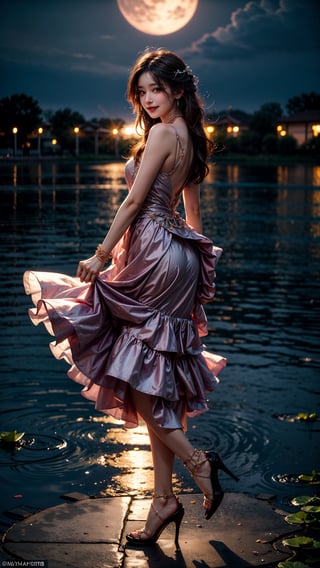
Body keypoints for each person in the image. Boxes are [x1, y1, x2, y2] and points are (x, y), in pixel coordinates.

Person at [23, 48, 238, 547]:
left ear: (179, 90)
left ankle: (198, 462)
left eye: (156, 90)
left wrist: (101, 254)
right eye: (141, 92)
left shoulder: (162, 134)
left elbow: (135, 201)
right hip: (180, 253)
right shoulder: (191, 138)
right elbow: (193, 214)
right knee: (155, 374)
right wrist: (200, 271)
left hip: (156, 253)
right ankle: (164, 499)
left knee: (133, 367)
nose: (148, 99)